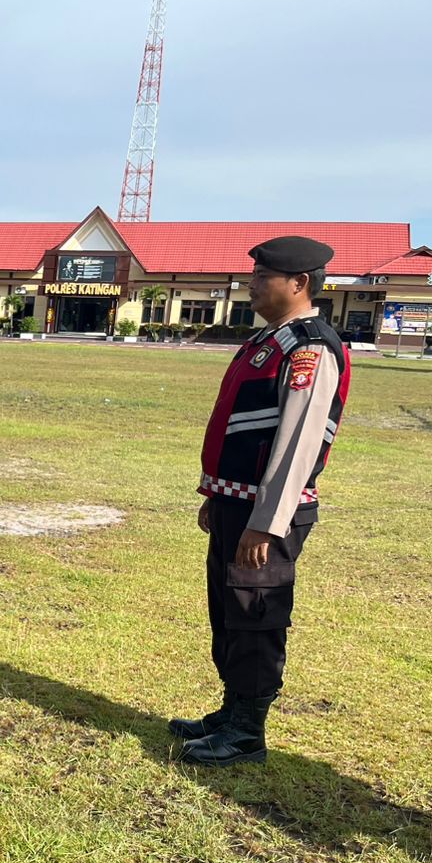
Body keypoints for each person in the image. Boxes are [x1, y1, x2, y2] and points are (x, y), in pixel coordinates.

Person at [169, 236, 349, 767]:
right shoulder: (267, 340)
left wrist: (266, 524)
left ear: (299, 284)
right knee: (227, 611)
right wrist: (216, 495)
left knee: (256, 614)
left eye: (262, 276)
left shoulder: (308, 348)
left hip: (266, 515)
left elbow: (298, 443)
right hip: (236, 504)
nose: (251, 283)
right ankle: (232, 710)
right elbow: (245, 430)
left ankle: (248, 731)